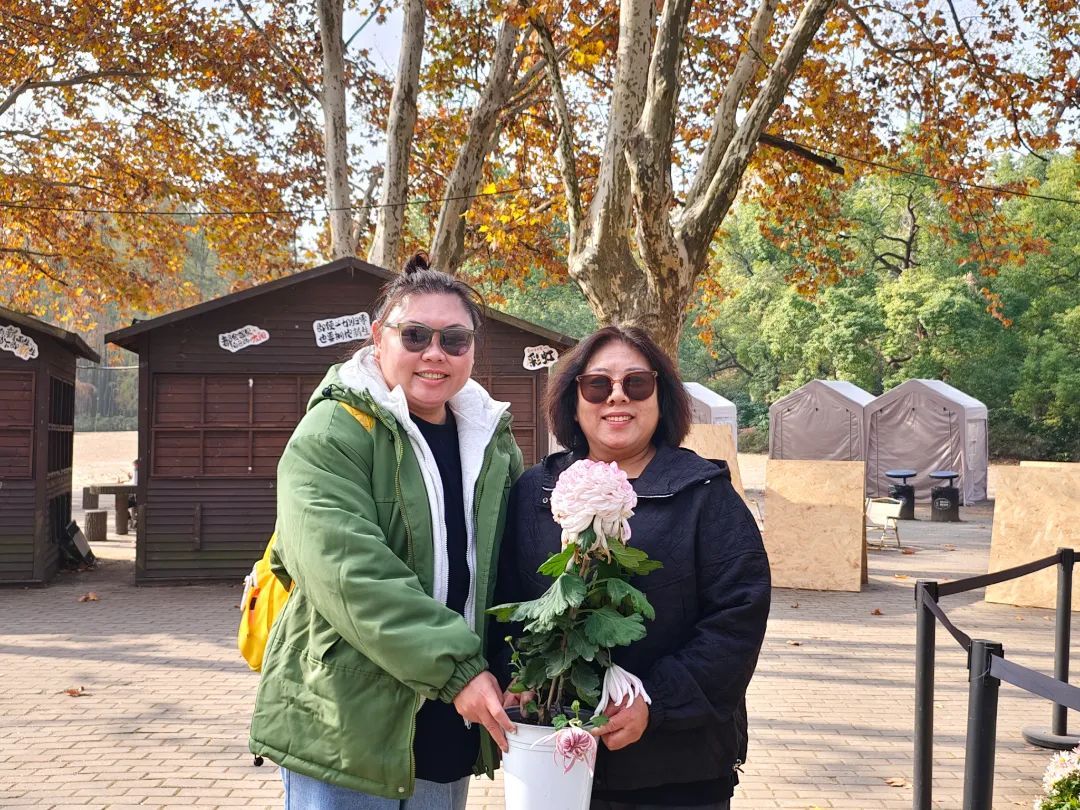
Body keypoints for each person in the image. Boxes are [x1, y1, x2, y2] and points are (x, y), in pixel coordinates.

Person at [250, 253, 521, 810]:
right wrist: (459, 669)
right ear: (379, 339)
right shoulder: (333, 431)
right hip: (347, 723)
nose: (434, 353)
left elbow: (507, 569)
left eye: (455, 340)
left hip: (451, 720)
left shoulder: (492, 444)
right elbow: (348, 571)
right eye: (415, 334)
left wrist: (517, 665)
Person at [494, 325, 771, 810]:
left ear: (661, 396)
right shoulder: (534, 492)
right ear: (573, 399)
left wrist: (655, 702)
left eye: (636, 384)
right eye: (597, 385)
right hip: (552, 762)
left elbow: (738, 618)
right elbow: (506, 599)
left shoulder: (704, 495)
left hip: (674, 770)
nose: (616, 397)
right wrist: (514, 677)